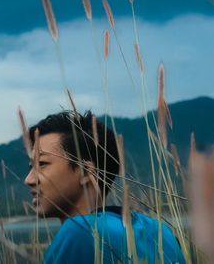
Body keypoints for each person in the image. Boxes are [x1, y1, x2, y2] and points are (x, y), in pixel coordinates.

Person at [24, 110, 185, 264]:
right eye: (31, 166)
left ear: (86, 171)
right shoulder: (161, 232)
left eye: (42, 164)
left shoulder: (79, 231)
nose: (28, 179)